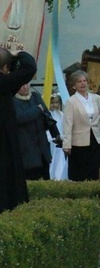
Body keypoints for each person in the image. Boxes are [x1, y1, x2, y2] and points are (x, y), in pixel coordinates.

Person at [0, 48, 36, 213]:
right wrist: (19, 53)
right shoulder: (6, 83)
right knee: (7, 172)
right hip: (5, 136)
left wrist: (9, 61)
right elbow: (29, 68)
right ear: (5, 68)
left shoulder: (6, 82)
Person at [63, 70, 100, 182]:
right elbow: (68, 124)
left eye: (84, 81)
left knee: (93, 169)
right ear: (74, 85)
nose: (83, 84)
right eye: (79, 82)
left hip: (95, 138)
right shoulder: (71, 102)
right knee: (80, 171)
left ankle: (93, 194)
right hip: (78, 141)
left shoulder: (97, 98)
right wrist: (66, 143)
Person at [14, 82, 60, 180]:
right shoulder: (12, 100)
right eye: (21, 84)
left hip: (42, 147)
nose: (25, 87)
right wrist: (37, 110)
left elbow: (47, 116)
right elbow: (19, 118)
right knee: (30, 179)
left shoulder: (35, 96)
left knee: (45, 179)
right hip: (26, 148)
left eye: (27, 83)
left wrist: (56, 134)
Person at [48, 93, 68, 180]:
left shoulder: (61, 114)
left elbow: (63, 126)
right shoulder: (48, 114)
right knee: (51, 159)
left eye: (57, 103)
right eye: (52, 103)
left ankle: (59, 176)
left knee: (59, 158)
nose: (55, 105)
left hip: (59, 140)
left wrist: (62, 137)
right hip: (50, 141)